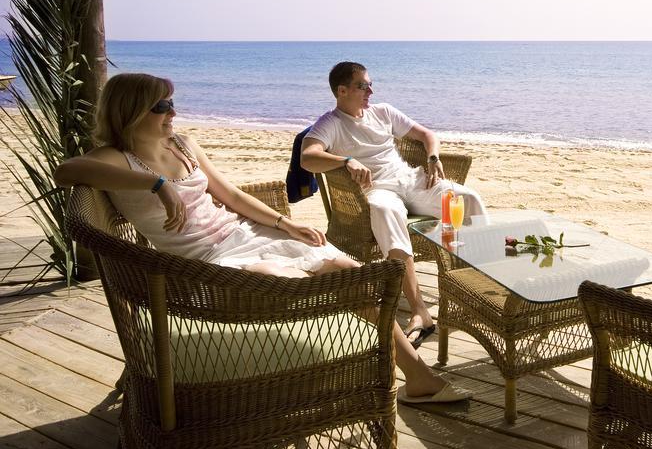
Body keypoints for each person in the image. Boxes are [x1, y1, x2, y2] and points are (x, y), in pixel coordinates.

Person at [53, 73, 470, 405]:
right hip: (201, 260)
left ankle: (419, 379)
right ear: (131, 111)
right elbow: (66, 171)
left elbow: (231, 196)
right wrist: (157, 183)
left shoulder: (183, 144)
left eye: (172, 103)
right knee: (290, 280)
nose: (172, 113)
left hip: (243, 234)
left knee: (353, 272)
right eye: (161, 106)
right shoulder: (113, 158)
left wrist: (285, 224)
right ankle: (326, 374)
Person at [300, 61, 487, 348]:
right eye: (363, 85)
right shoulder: (331, 123)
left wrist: (434, 157)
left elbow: (426, 135)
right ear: (342, 90)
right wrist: (346, 160)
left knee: (467, 200)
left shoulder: (383, 112)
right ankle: (419, 310)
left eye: (370, 84)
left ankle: (474, 289)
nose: (370, 91)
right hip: (379, 190)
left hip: (412, 181)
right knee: (386, 212)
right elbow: (308, 157)